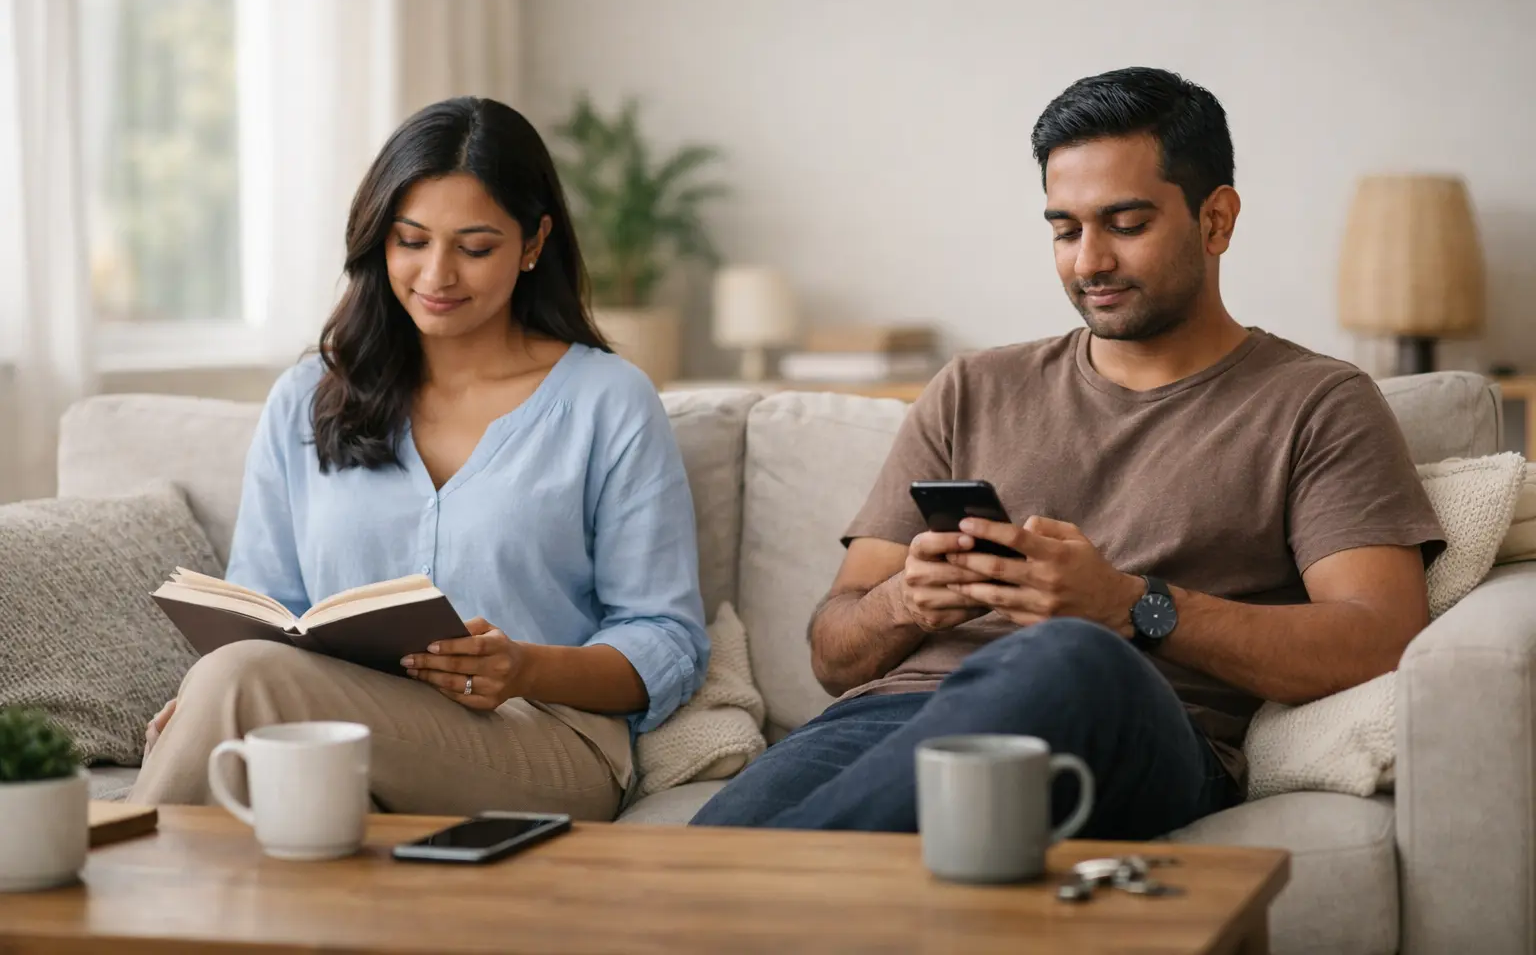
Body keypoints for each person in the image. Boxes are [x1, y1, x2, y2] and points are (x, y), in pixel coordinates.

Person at [692, 67, 1443, 837]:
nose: (1088, 262)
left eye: (1125, 224)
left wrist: (1128, 607)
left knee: (1069, 656)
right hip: (889, 718)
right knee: (702, 862)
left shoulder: (1317, 402)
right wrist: (905, 602)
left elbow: (1382, 638)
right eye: (1064, 228)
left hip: (1130, 725)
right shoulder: (971, 388)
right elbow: (834, 652)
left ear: (1216, 221)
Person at [132, 97, 709, 819]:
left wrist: (524, 665)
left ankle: (85, 895)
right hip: (340, 726)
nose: (437, 275)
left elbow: (667, 638)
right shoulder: (307, 395)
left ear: (534, 243)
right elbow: (266, 609)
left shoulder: (609, 401)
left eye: (474, 247)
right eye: (411, 241)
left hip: (545, 738)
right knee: (239, 690)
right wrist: (207, 701)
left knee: (243, 684)